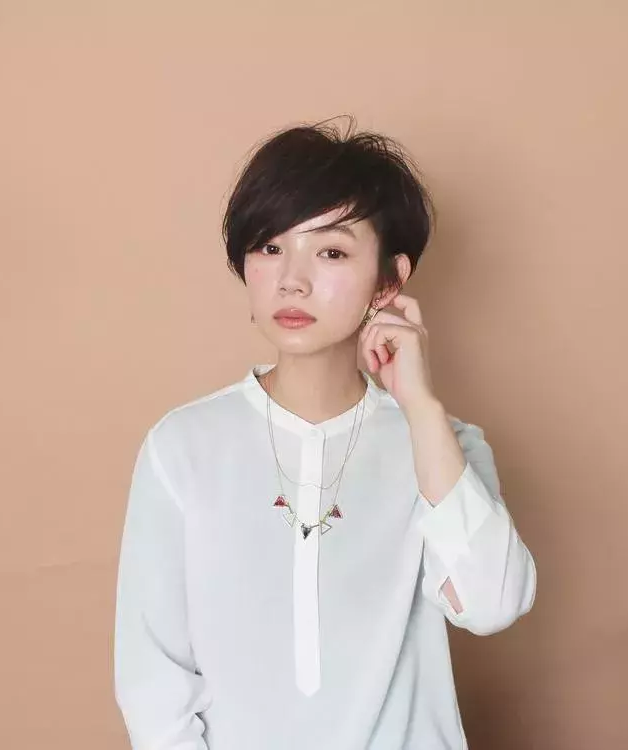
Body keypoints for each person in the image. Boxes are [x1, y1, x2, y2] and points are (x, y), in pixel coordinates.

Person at [113, 118, 537, 750]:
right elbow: (152, 678)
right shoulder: (185, 446)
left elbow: (492, 603)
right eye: (269, 247)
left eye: (331, 252)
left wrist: (420, 407)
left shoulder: (444, 445)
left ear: (389, 279)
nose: (292, 279)